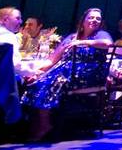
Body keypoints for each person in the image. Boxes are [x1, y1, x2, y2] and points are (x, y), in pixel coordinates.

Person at [21, 7, 113, 140]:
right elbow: (53, 59)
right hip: (65, 72)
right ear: (83, 20)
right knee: (36, 83)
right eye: (91, 17)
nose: (95, 20)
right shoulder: (71, 37)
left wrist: (82, 42)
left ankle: (44, 125)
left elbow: (107, 44)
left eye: (98, 18)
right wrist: (37, 72)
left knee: (50, 82)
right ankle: (40, 123)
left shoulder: (101, 34)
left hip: (89, 75)